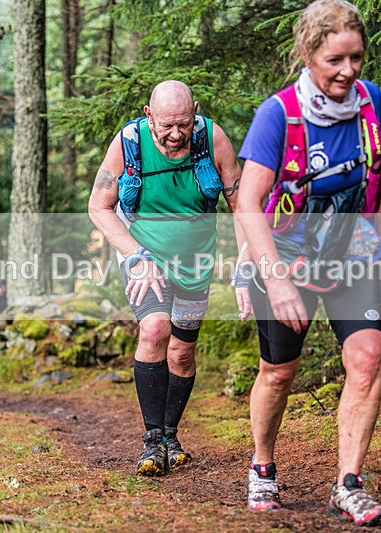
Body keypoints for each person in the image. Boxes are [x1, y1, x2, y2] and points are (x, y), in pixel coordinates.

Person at [236, 0, 381, 526]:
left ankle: (348, 484)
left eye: (356, 58)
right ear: (309, 54)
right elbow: (248, 204)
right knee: (278, 372)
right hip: (283, 257)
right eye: (336, 59)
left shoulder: (370, 101)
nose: (349, 71)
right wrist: (276, 279)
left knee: (367, 358)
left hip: (351, 251)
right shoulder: (279, 114)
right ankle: (263, 465)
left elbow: (373, 178)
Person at [89, 80, 250, 476]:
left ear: (195, 111)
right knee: (155, 330)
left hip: (196, 260)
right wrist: (136, 255)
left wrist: (248, 260)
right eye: (166, 125)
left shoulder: (211, 138)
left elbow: (241, 201)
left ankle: (170, 434)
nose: (176, 134)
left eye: (184, 123)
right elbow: (98, 205)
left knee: (181, 351)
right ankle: (151, 442)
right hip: (145, 256)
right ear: (149, 115)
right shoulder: (128, 141)